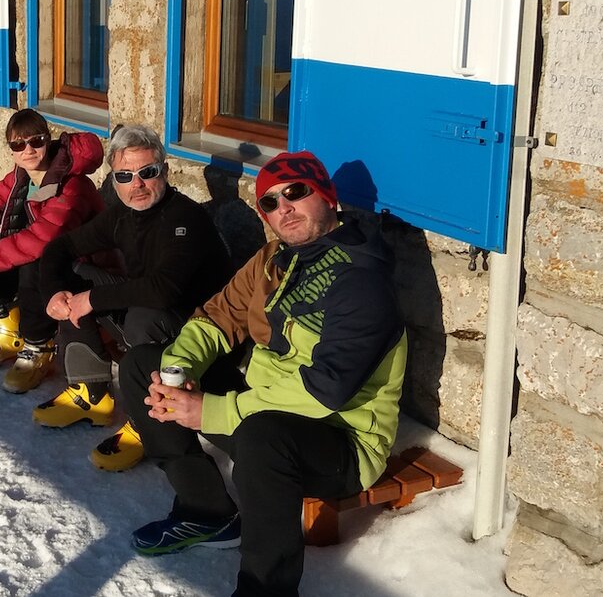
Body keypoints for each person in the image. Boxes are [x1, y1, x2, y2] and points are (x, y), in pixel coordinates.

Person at [123, 150, 407, 597]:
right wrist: (177, 373)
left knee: (260, 437)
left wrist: (212, 412)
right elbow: (217, 319)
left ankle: (265, 589)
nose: (284, 207)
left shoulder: (362, 280)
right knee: (145, 364)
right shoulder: (275, 258)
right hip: (265, 409)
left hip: (340, 441)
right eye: (270, 203)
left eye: (296, 192)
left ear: (329, 199)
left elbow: (324, 392)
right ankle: (205, 510)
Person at [38, 125, 232, 469]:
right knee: (75, 276)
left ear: (165, 172)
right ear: (114, 179)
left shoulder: (185, 217)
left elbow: (164, 289)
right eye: (125, 175)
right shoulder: (122, 216)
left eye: (148, 172)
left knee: (143, 312)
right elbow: (60, 246)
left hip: (202, 335)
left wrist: (92, 300)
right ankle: (90, 393)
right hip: (155, 314)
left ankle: (149, 422)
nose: (136, 184)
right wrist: (56, 292)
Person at [0, 109, 104, 394]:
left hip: (86, 270)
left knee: (33, 262)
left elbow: (43, 239)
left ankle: (38, 346)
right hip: (49, 261)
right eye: (18, 144)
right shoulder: (21, 177)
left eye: (36, 141)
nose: (28, 150)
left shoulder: (71, 184)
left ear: (48, 140)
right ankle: (5, 332)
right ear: (11, 149)